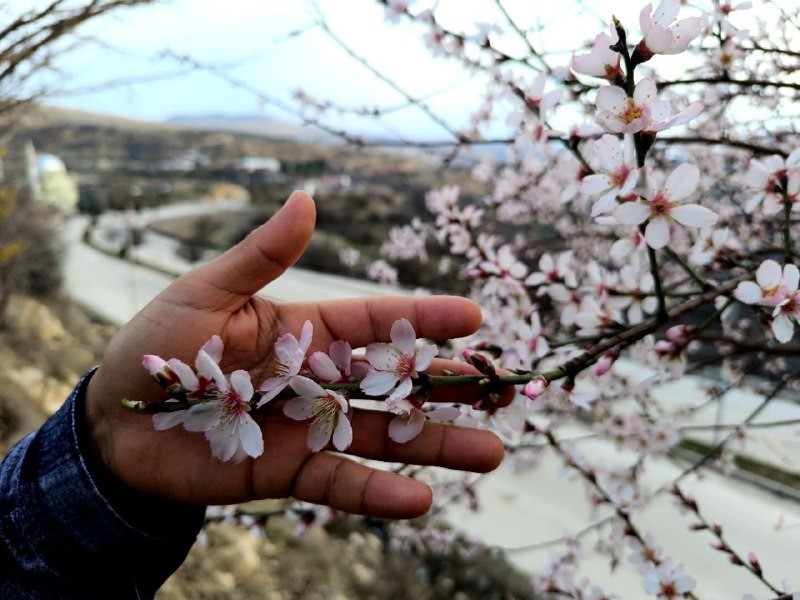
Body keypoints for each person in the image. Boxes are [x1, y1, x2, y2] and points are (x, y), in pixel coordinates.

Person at [0, 191, 506, 598]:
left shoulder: (299, 385)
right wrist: (106, 440)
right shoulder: (233, 401)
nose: (233, 403)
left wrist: (101, 454)